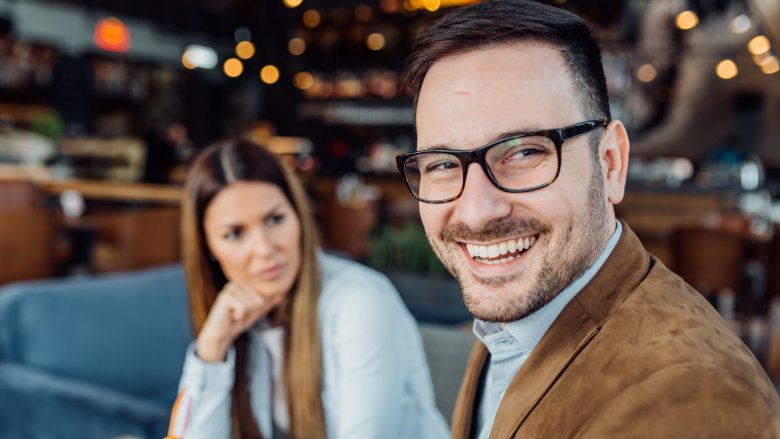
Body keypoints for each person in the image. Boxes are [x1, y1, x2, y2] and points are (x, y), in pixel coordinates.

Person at [396, 1, 780, 437]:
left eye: (525, 152)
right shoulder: (513, 319)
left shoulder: (689, 401)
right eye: (443, 163)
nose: (477, 210)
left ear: (611, 163)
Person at [169, 139, 448, 439]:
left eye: (275, 219)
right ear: (208, 247)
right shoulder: (241, 319)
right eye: (235, 233)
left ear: (298, 216)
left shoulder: (360, 302)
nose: (264, 249)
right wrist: (211, 349)